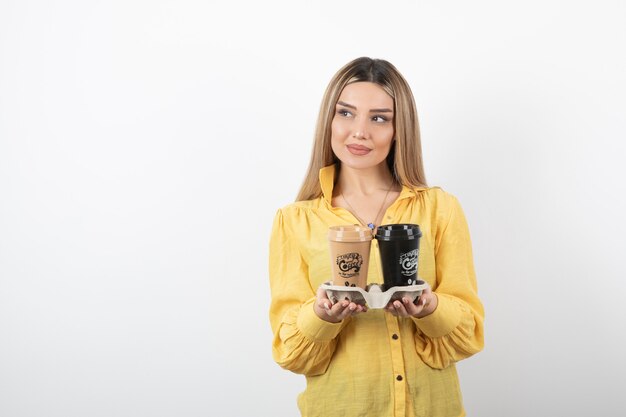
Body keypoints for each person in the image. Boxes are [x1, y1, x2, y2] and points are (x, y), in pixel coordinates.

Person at [268, 57, 484, 417]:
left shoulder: (439, 209)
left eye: (379, 118)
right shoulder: (294, 221)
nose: (359, 132)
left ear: (400, 129)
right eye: (346, 113)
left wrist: (429, 308)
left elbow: (469, 334)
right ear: (329, 121)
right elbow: (291, 353)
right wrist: (323, 315)